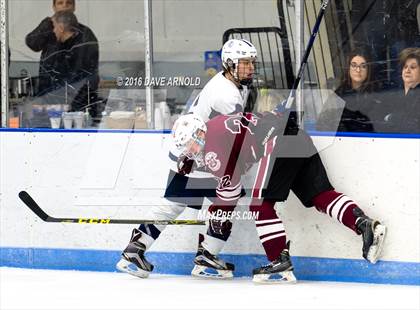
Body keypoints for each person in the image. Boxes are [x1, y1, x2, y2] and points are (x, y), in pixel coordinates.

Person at [171, 111, 387, 283]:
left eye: (191, 144)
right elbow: (234, 160)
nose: (191, 150)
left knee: (259, 204)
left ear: (200, 132)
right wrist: (199, 162)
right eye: (187, 149)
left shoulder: (213, 146)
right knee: (320, 195)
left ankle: (278, 261)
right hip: (296, 136)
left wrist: (217, 216)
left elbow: (231, 189)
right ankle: (364, 224)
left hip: (278, 141)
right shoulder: (215, 127)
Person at [116, 39, 258, 279]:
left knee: (174, 202)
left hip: (191, 153)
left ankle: (135, 249)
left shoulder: (229, 83)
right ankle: (206, 258)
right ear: (230, 63)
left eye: (252, 62)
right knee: (225, 202)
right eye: (245, 63)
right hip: (200, 156)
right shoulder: (227, 96)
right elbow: (236, 136)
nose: (251, 68)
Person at [25, 0, 99, 117]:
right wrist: (47, 24)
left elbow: (82, 75)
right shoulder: (49, 30)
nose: (64, 6)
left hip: (75, 102)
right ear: (53, 7)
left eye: (68, 3)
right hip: (48, 97)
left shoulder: (85, 34)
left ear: (74, 7)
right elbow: (32, 43)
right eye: (60, 3)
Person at [317, 49, 380, 132]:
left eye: (363, 66)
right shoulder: (339, 94)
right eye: (354, 65)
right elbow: (323, 123)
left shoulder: (377, 93)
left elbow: (380, 124)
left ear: (368, 69)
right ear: (348, 68)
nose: (358, 70)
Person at [379, 48, 420, 133]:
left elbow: (412, 124)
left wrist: (391, 118)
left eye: (412, 67)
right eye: (405, 67)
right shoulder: (394, 93)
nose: (407, 70)